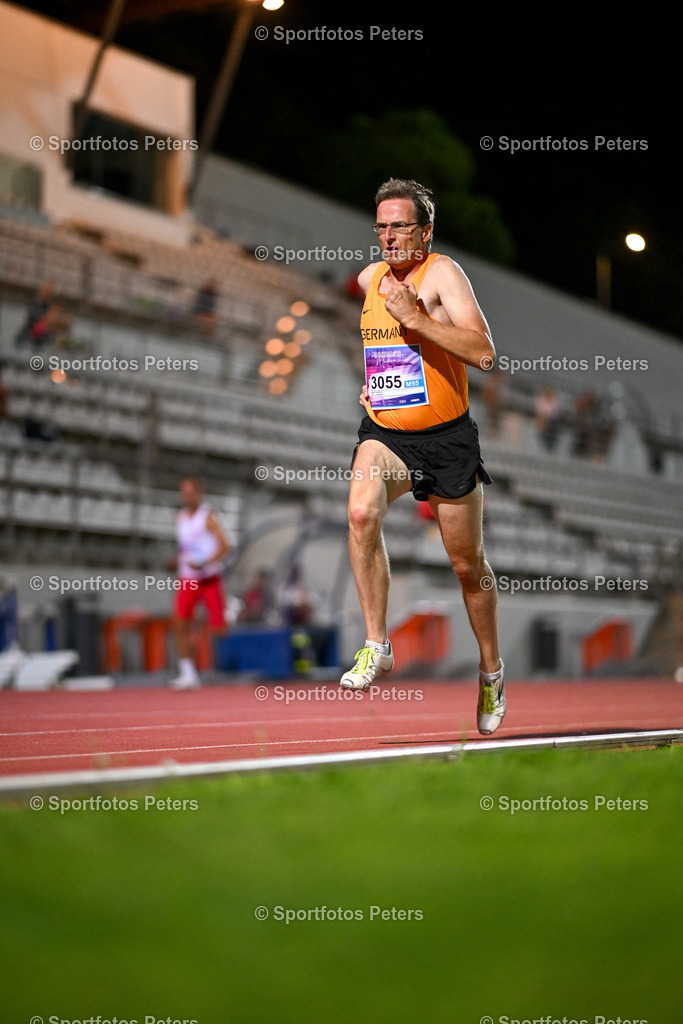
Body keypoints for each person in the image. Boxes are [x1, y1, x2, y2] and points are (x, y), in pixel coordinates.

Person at [340, 178, 504, 735]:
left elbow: (484, 352)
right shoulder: (370, 279)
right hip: (387, 434)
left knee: (466, 566)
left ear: (425, 232)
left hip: (448, 438)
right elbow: (380, 347)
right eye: (381, 226)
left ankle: (490, 670)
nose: (388, 236)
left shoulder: (443, 274)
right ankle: (377, 644)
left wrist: (420, 320)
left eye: (399, 226)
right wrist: (373, 385)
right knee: (361, 512)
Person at [171, 476, 231, 689]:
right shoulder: (180, 517)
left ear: (198, 494)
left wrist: (204, 563)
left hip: (209, 578)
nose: (186, 497)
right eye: (183, 492)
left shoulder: (208, 518)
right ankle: (188, 673)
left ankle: (224, 614)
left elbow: (225, 546)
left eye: (190, 492)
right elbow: (185, 548)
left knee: (220, 631)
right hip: (188, 578)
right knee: (179, 623)